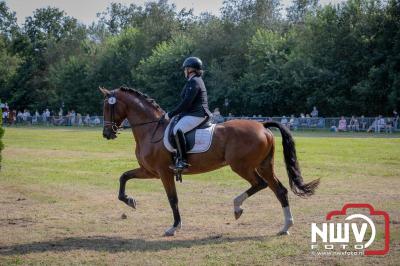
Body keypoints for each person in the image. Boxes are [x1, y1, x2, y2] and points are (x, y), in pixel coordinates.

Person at [164, 57, 212, 171]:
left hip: (198, 114)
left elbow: (186, 103)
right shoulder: (193, 81)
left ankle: (182, 161)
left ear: (190, 69)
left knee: (177, 130)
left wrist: (171, 114)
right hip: (192, 113)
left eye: (185, 69)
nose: (184, 71)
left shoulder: (194, 81)